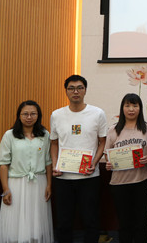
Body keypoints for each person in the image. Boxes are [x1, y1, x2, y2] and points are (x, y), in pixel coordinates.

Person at [50, 75, 108, 243]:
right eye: (71, 88)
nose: (75, 91)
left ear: (85, 90)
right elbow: (54, 143)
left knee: (90, 218)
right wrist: (54, 165)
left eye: (79, 88)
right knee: (63, 220)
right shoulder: (56, 115)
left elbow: (103, 142)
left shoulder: (97, 113)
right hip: (63, 176)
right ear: (66, 91)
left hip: (89, 176)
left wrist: (94, 163)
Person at [0, 100, 53, 243]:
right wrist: (5, 189)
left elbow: (48, 162)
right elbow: (3, 164)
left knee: (36, 218)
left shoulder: (45, 135)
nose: (29, 117)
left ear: (38, 115)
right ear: (19, 115)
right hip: (16, 183)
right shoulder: (9, 135)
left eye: (33, 114)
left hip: (39, 182)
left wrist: (49, 185)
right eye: (25, 114)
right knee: (16, 217)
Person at [105, 93, 147, 243]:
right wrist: (109, 163)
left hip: (143, 181)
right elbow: (108, 155)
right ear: (122, 108)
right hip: (120, 184)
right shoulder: (113, 129)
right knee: (124, 223)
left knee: (142, 223)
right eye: (127, 105)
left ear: (140, 108)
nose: (131, 109)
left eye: (135, 105)